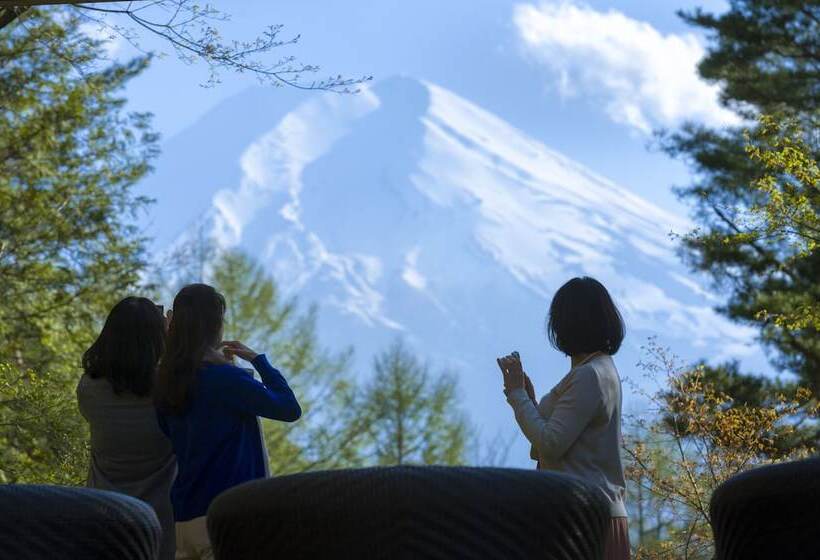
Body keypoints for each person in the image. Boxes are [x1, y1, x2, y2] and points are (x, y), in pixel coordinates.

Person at [154, 283, 301, 560]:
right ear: (215, 326)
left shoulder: (165, 382)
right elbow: (289, 409)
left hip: (184, 518)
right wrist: (259, 362)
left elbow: (171, 434)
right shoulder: (226, 380)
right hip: (226, 515)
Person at [497, 276, 629, 560]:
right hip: (598, 513)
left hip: (583, 518)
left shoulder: (587, 376)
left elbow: (551, 443)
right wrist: (529, 402)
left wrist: (517, 395)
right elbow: (547, 446)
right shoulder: (601, 369)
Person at [78, 297, 177, 560]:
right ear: (156, 337)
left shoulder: (88, 388)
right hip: (161, 522)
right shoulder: (170, 389)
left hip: (102, 514)